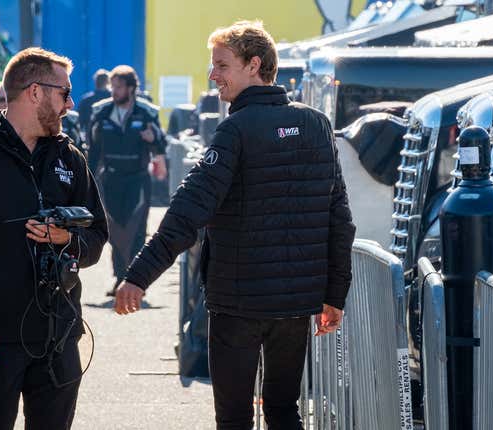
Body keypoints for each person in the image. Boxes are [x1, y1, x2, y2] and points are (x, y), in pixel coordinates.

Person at [115, 20, 356, 429]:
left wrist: (138, 275)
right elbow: (341, 218)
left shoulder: (236, 129)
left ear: (254, 65)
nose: (213, 76)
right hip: (294, 306)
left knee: (234, 418)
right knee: (284, 411)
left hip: (237, 307)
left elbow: (188, 211)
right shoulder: (316, 124)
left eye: (221, 65)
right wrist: (335, 295)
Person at [0, 47, 108, 430]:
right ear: (34, 92)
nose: (70, 103)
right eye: (64, 93)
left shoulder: (69, 158)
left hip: (57, 335)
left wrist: (66, 240)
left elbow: (97, 235)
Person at [88, 65, 167, 296]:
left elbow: (161, 145)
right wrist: (88, 181)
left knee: (136, 230)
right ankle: (120, 276)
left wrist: (152, 140)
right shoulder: (100, 112)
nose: (114, 91)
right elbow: (92, 151)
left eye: (119, 86)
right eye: (113, 86)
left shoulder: (147, 112)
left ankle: (134, 280)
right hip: (110, 179)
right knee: (113, 229)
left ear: (131, 88)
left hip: (138, 180)